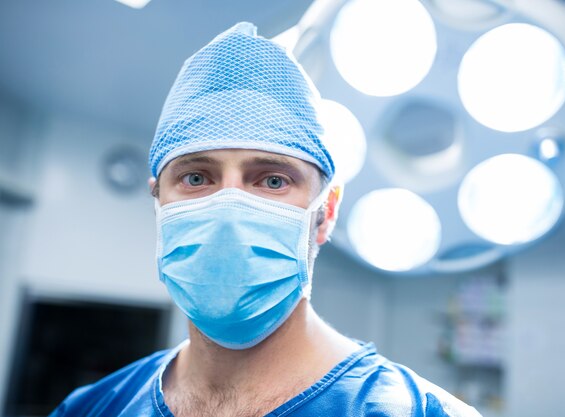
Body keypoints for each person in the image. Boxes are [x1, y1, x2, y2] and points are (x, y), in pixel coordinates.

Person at [49, 22, 481, 417]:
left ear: (325, 213)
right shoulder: (92, 408)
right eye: (196, 177)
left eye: (272, 180)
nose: (228, 209)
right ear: (158, 204)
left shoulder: (417, 411)